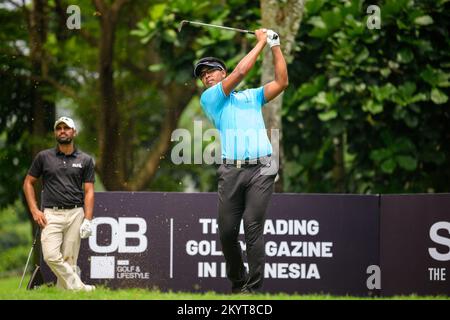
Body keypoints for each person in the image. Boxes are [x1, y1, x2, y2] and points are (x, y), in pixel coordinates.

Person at [194, 28, 288, 293]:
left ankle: (253, 290)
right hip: (231, 171)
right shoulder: (210, 99)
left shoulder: (250, 96)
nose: (206, 77)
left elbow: (282, 82)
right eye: (202, 75)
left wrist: (275, 45)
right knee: (226, 233)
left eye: (211, 71)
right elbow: (241, 72)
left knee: (253, 225)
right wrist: (261, 42)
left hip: (262, 168)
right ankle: (238, 282)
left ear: (222, 72)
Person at [23, 116, 96, 291]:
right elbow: (28, 183)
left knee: (70, 259)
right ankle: (81, 288)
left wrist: (88, 219)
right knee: (50, 255)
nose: (62, 131)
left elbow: (89, 191)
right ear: (56, 132)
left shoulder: (85, 160)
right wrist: (34, 210)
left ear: (74, 132)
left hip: (75, 213)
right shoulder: (44, 157)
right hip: (51, 214)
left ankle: (64, 293)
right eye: (59, 128)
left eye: (66, 128)